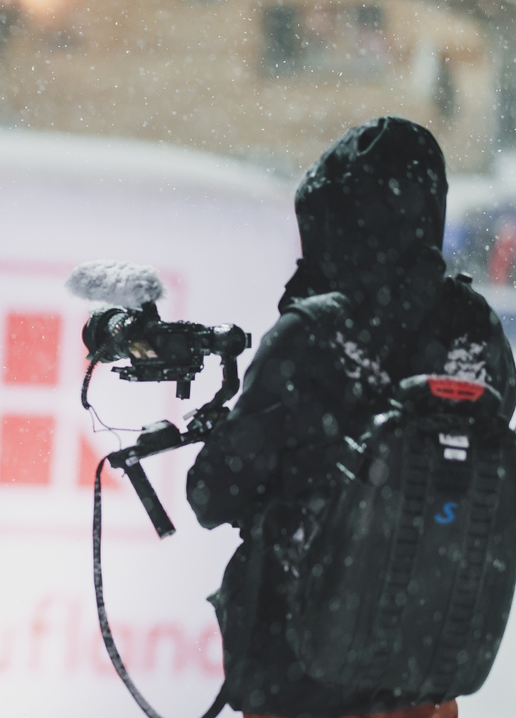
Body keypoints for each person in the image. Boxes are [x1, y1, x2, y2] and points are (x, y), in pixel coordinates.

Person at [186, 116, 516, 718]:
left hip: (305, 673)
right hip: (425, 673)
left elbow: (215, 494)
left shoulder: (313, 334)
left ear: (334, 219)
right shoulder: (478, 329)